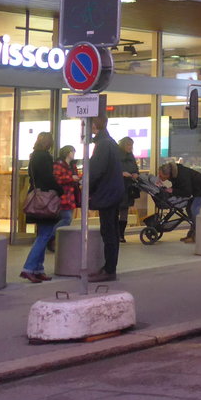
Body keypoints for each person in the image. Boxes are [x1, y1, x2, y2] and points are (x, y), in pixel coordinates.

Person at [87, 116, 126, 282]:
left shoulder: (103, 145)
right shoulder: (110, 143)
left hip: (107, 193)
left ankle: (109, 269)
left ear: (94, 125)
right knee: (112, 231)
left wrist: (88, 189)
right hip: (114, 192)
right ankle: (109, 267)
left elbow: (96, 171)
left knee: (108, 231)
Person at [19, 132, 61, 282]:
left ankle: (38, 268)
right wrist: (59, 189)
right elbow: (48, 178)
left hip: (37, 197)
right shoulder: (44, 156)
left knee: (43, 234)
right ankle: (29, 268)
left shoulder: (34, 156)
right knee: (45, 235)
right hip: (45, 200)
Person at [157, 162, 201, 242]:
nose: (160, 177)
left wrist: (173, 190)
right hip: (195, 189)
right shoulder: (174, 173)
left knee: (194, 210)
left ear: (168, 174)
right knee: (189, 209)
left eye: (161, 175)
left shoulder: (182, 175)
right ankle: (191, 234)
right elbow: (180, 186)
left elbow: (186, 192)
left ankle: (198, 235)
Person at [117, 136, 140, 243]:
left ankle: (121, 234)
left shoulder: (131, 156)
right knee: (116, 209)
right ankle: (115, 233)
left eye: (132, 145)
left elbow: (135, 168)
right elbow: (111, 170)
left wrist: (135, 174)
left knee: (124, 210)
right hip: (118, 187)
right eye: (128, 145)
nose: (130, 147)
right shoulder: (116, 155)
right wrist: (121, 173)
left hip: (129, 187)